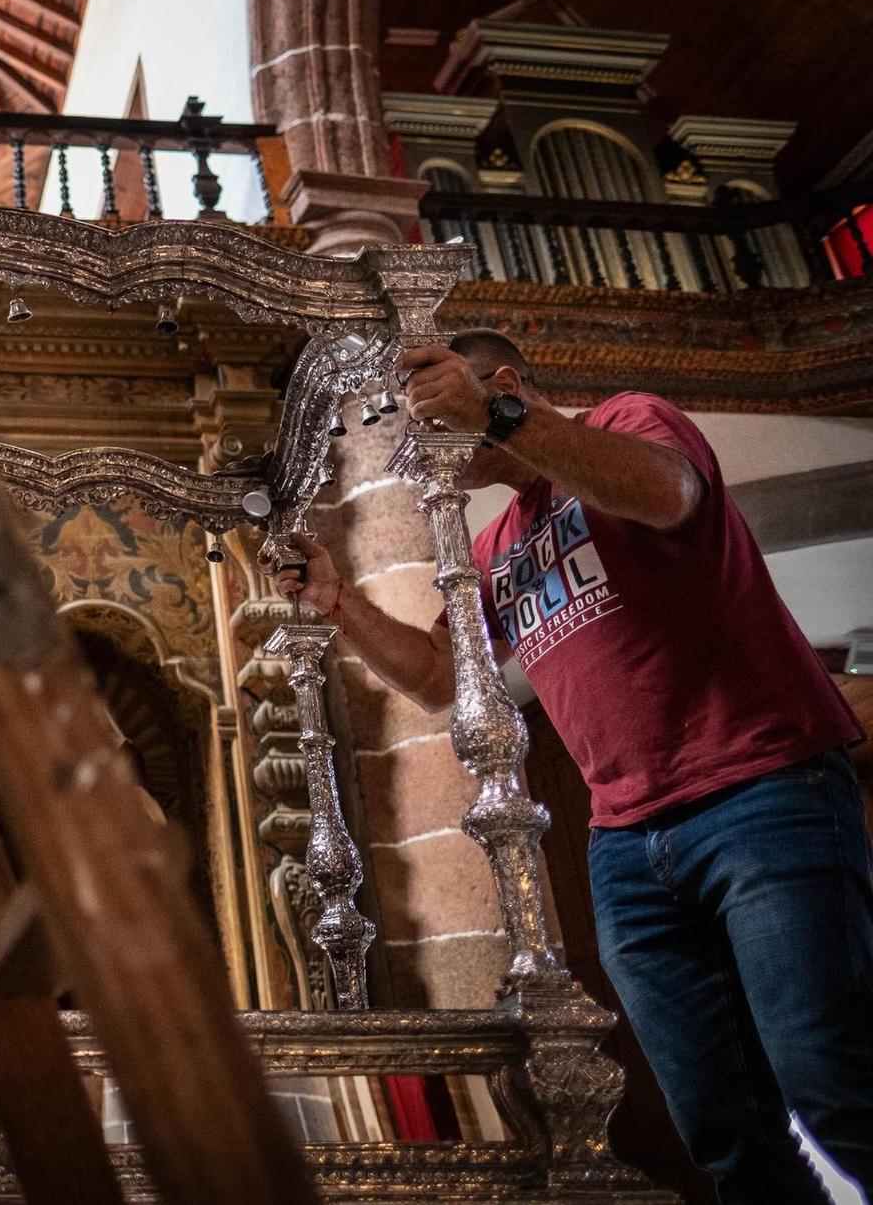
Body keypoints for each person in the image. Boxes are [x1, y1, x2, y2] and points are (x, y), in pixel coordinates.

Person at [276, 329, 870, 1202]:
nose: (424, 445)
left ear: (503, 383)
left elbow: (669, 495)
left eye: (440, 414)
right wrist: (338, 603)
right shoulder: (500, 545)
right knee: (720, 1124)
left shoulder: (632, 419)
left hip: (758, 792)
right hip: (628, 844)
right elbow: (442, 676)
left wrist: (501, 420)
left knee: (833, 1085)